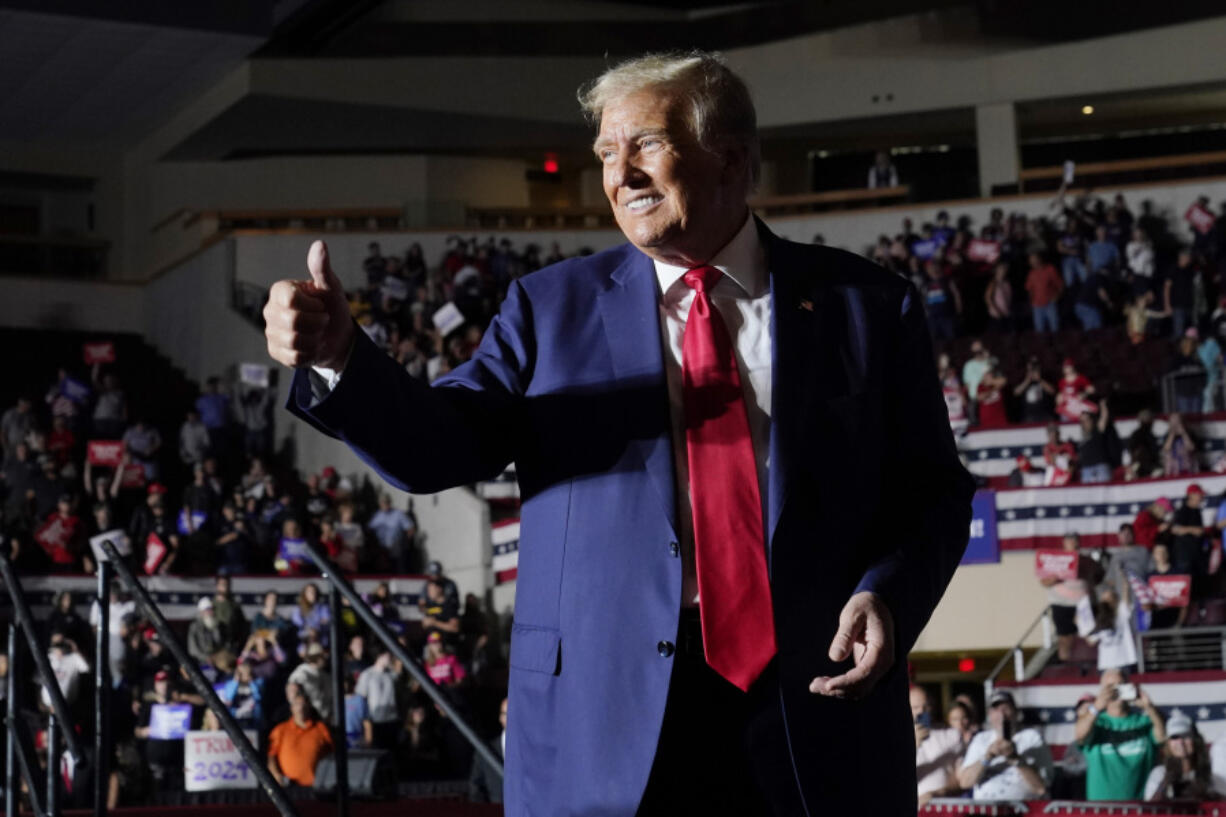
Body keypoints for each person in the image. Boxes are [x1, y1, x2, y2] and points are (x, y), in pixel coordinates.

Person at [269, 50, 975, 816]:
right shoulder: (549, 309)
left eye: (646, 144)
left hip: (816, 711)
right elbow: (440, 443)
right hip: (602, 723)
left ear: (731, 158)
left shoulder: (867, 306)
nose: (621, 173)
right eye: (607, 151)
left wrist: (889, 594)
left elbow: (932, 495)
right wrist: (343, 358)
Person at [1075, 668, 1165, 801]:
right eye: (1110, 687)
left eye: (1121, 685)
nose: (1116, 690)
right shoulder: (1096, 723)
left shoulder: (1144, 722)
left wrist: (1149, 707)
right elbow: (1080, 735)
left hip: (1137, 809)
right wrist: (1097, 706)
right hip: (1101, 810)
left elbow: (1162, 737)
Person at [957, 690, 1052, 800]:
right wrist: (988, 756)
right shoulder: (981, 739)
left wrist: (1015, 759)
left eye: (1006, 709)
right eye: (996, 710)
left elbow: (1041, 788)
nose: (1001, 715)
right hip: (986, 810)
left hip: (1022, 810)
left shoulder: (1032, 737)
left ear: (1016, 713)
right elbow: (965, 783)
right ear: (989, 715)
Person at [268, 685, 333, 788]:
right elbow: (271, 756)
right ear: (292, 708)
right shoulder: (280, 730)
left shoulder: (321, 728)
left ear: (309, 707)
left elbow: (332, 754)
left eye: (303, 705)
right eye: (297, 704)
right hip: (288, 788)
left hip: (316, 788)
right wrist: (275, 775)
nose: (301, 708)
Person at [1145, 712, 1218, 801]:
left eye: (1186, 736)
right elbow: (1150, 808)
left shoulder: (1210, 773)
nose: (1180, 742)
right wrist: (1166, 781)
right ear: (1168, 744)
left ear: (1196, 740)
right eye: (1174, 737)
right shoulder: (1159, 773)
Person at [911, 685, 964, 805]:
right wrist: (912, 746)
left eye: (926, 706)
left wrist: (936, 794)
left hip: (944, 807)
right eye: (915, 707)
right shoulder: (896, 740)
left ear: (932, 707)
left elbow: (962, 781)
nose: (921, 711)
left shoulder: (952, 736)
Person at [355, 645, 402, 749]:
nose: (389, 658)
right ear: (380, 656)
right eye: (387, 656)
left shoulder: (391, 674)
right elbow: (361, 697)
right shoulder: (367, 674)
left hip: (392, 719)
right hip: (376, 720)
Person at [469, 696, 508, 804]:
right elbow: (476, 787)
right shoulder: (485, 751)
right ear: (500, 718)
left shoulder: (535, 751)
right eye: (507, 714)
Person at [1026, 252, 1063, 332]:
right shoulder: (1031, 273)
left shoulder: (1050, 269)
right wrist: (1031, 302)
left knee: (1055, 329)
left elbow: (1060, 284)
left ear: (1040, 259)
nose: (1033, 262)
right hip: (1037, 306)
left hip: (1049, 304)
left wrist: (1057, 296)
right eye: (1031, 261)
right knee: (1039, 331)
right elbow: (1029, 289)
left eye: (1035, 259)